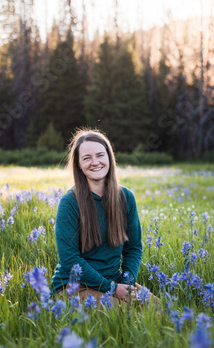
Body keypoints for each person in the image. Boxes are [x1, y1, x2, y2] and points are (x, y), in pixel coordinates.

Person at [51, 128, 148, 305]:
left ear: (109, 158)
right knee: (123, 316)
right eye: (86, 158)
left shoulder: (125, 198)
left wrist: (125, 283)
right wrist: (111, 288)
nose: (95, 162)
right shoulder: (69, 203)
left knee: (161, 311)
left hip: (115, 282)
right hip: (74, 286)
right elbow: (70, 259)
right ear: (79, 164)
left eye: (100, 155)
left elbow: (133, 248)